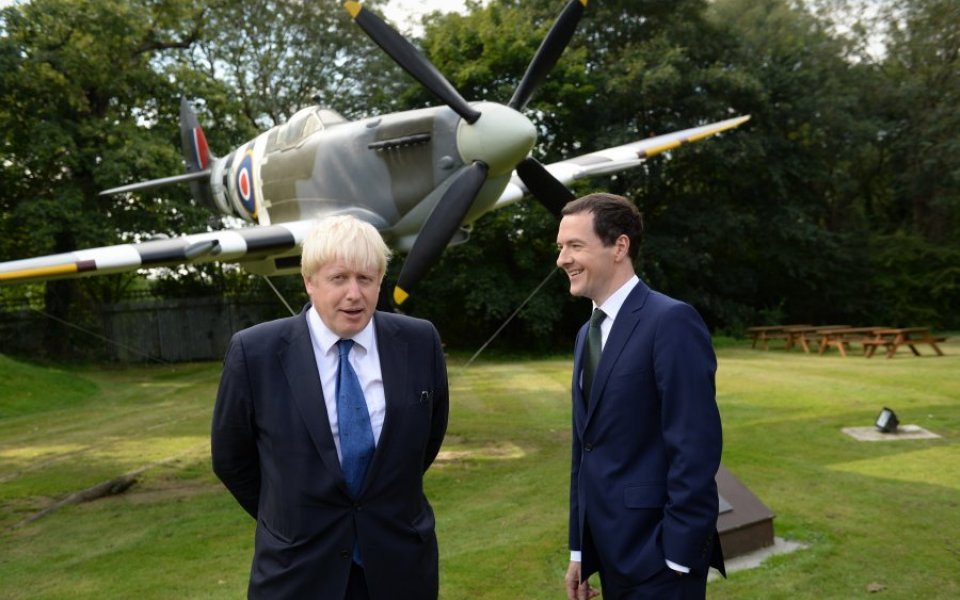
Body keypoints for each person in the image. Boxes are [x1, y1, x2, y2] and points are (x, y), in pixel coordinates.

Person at [211, 214, 449, 600]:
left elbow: (426, 441)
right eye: (339, 278)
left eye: (365, 278)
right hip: (297, 572)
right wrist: (290, 517)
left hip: (400, 569)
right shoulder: (255, 353)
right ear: (309, 281)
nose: (354, 294)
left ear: (380, 280)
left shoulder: (419, 342)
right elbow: (231, 459)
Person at [555, 193, 725, 600]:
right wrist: (580, 551)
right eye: (560, 247)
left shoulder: (671, 321)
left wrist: (676, 558)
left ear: (619, 246)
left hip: (660, 561)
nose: (562, 259)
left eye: (575, 245)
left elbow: (695, 447)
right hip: (609, 554)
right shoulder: (586, 334)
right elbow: (585, 449)